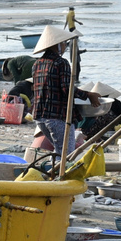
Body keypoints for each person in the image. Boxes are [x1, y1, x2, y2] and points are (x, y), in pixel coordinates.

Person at [29, 24, 78, 155]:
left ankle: (54, 173)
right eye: (63, 44)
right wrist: (88, 95)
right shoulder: (61, 63)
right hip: (56, 117)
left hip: (40, 117)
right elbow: (67, 89)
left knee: (59, 150)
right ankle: (60, 175)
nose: (65, 46)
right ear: (57, 45)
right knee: (66, 154)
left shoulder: (37, 64)